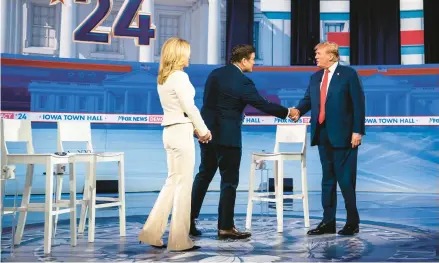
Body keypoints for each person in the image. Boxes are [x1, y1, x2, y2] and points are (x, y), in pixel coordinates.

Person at [190, 44, 296, 239]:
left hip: (207, 133)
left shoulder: (215, 74)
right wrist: (288, 112)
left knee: (204, 175)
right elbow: (262, 104)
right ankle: (225, 227)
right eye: (253, 59)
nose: (254, 63)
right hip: (228, 137)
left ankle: (188, 221)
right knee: (229, 182)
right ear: (243, 60)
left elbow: (210, 103)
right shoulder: (244, 82)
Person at [138, 37, 211, 251]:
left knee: (172, 183)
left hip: (169, 132)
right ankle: (179, 241)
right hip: (180, 132)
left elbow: (180, 107)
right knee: (183, 186)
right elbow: (190, 107)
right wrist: (203, 130)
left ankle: (151, 233)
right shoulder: (180, 77)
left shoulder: (164, 78)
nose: (189, 56)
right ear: (179, 54)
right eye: (187, 52)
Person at [290, 41, 365, 236]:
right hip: (322, 135)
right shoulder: (315, 77)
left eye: (319, 53)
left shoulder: (348, 74)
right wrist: (298, 110)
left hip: (345, 136)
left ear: (331, 56)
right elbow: (308, 99)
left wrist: (357, 131)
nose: (315, 57)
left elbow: (358, 104)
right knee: (328, 180)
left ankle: (352, 222)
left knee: (346, 181)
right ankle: (328, 222)